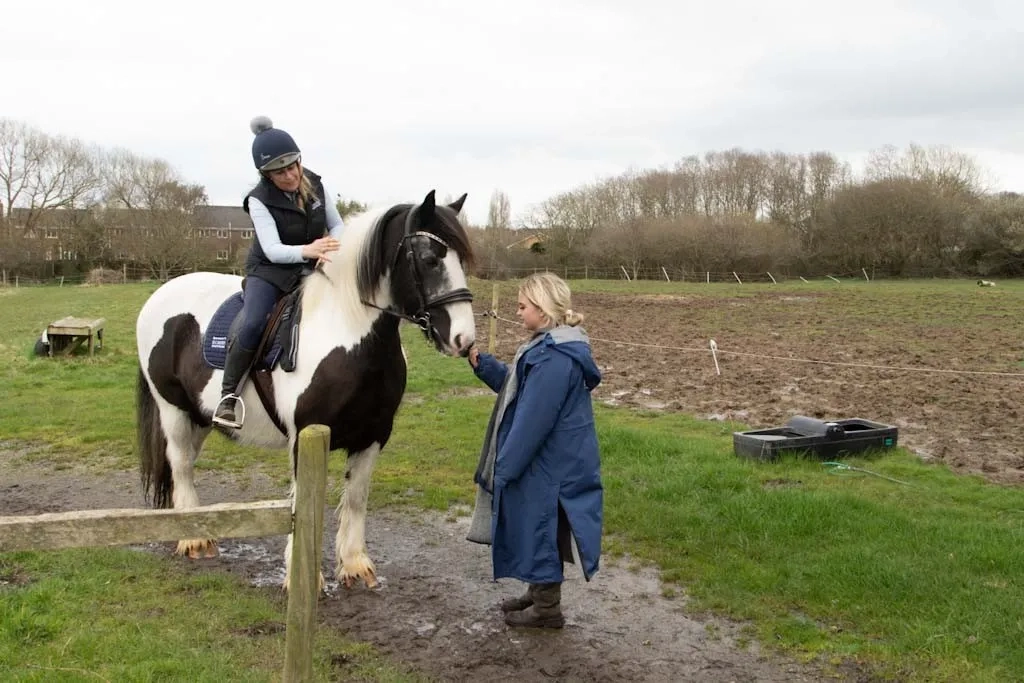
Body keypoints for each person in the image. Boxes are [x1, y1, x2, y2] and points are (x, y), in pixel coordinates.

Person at [466, 272, 603, 628]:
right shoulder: (546, 346)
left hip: (550, 465)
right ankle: (538, 590)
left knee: (541, 526)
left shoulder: (555, 358)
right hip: (550, 461)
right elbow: (517, 387)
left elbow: (532, 421)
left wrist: (504, 467)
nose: (518, 311)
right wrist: (485, 367)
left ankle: (547, 608)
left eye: (523, 306)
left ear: (543, 310)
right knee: (536, 524)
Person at [213, 116, 345, 429]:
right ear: (266, 174)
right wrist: (309, 250)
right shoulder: (258, 200)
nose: (290, 176)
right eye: (280, 171)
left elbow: (337, 224)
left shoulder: (316, 185)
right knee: (254, 321)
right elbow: (272, 249)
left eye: (293, 166)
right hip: (268, 272)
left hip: (310, 266)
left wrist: (327, 249)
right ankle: (228, 395)